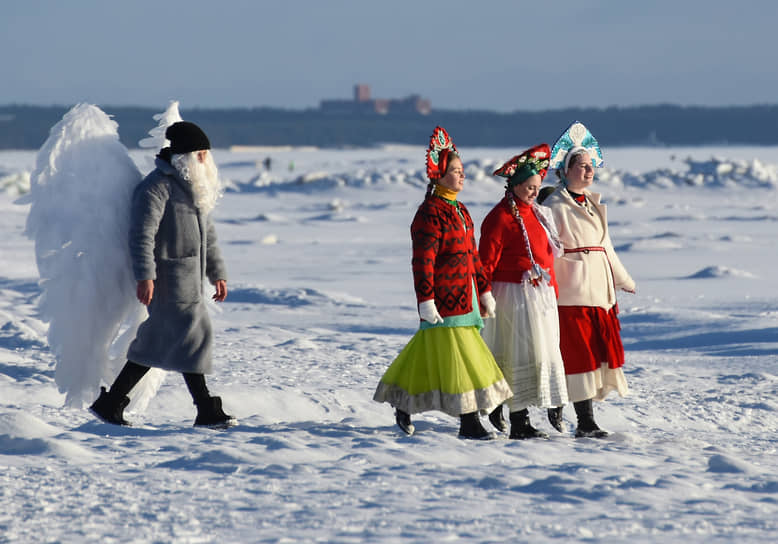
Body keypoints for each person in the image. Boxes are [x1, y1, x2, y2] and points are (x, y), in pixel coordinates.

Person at [90, 121, 236, 428]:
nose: (206, 161)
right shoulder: (156, 187)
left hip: (190, 282)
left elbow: (208, 235)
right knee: (189, 338)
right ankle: (205, 408)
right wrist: (146, 276)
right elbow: (141, 235)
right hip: (168, 281)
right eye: (201, 155)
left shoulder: (193, 189)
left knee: (166, 341)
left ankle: (113, 403)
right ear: (185, 156)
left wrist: (217, 273)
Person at [373, 126, 512, 440]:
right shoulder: (429, 214)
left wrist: (485, 289)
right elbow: (423, 262)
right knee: (464, 360)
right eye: (455, 172)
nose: (462, 177)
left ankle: (402, 399)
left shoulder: (461, 211)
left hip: (467, 299)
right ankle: (469, 421)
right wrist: (426, 299)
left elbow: (473, 256)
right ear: (438, 175)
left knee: (426, 352)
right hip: (444, 300)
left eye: (463, 171)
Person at [541, 121, 636, 438]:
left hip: (599, 291)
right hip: (572, 290)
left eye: (590, 165)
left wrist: (622, 279)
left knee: (594, 356)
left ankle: (574, 410)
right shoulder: (554, 206)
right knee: (578, 355)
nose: (588, 171)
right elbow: (546, 250)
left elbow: (606, 247)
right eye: (581, 166)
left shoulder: (594, 205)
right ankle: (584, 421)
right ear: (565, 171)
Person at [479, 144, 569, 439]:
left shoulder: (539, 214)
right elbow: (485, 261)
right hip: (512, 296)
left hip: (538, 296)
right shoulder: (500, 217)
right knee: (518, 353)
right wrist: (484, 294)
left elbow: (545, 256)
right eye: (528, 187)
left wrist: (552, 288)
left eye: (536, 187)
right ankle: (518, 420)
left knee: (537, 354)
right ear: (514, 185)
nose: (533, 192)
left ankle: (517, 410)